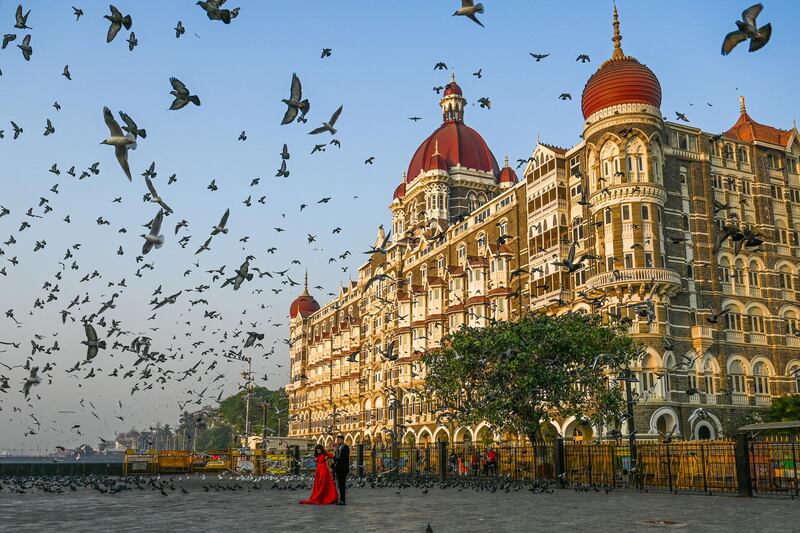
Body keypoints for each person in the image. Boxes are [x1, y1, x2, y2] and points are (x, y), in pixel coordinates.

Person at [331, 434, 350, 505]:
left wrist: (334, 458)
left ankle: (343, 500)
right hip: (338, 469)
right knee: (340, 484)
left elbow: (342, 458)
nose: (337, 441)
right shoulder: (338, 448)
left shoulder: (345, 447)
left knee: (342, 484)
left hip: (343, 469)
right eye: (337, 440)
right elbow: (336, 457)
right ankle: (341, 499)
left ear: (342, 440)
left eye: (339, 440)